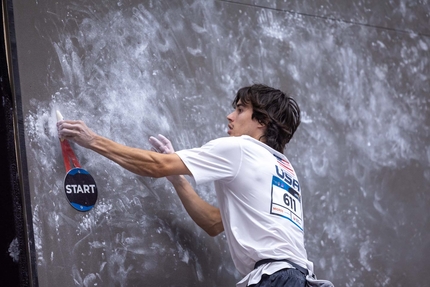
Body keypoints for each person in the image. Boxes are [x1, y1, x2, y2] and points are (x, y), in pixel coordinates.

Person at [57, 84, 333, 287]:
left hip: (277, 279)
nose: (230, 116)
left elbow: (155, 165)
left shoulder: (241, 149)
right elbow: (214, 222)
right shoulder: (283, 168)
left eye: (239, 110)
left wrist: (93, 140)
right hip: (296, 279)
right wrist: (178, 180)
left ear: (262, 122)